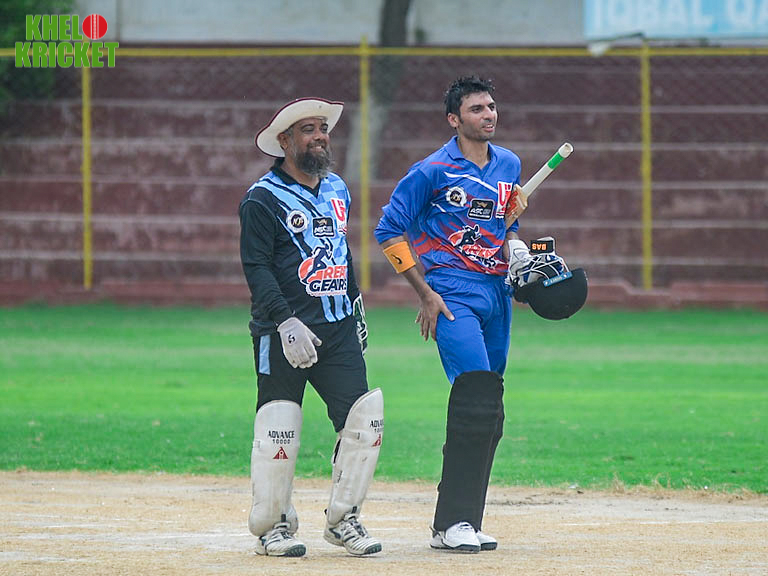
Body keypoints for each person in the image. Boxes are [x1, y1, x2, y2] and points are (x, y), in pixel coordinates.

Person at [374, 76, 534, 553]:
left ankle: (465, 520)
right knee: (475, 397)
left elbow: (505, 220)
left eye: (492, 107)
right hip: (451, 293)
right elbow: (388, 230)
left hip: (497, 292)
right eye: (477, 109)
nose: (489, 115)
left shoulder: (509, 163)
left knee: (491, 409)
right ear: (453, 119)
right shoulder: (431, 171)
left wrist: (516, 244)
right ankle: (452, 523)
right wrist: (424, 293)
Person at [239, 97, 383, 558]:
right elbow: (257, 267)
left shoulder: (337, 188)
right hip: (283, 330)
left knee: (364, 420)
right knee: (278, 425)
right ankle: (272, 526)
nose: (320, 136)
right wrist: (285, 321)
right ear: (284, 142)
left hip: (337, 328)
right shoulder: (262, 199)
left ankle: (344, 521)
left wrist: (356, 309)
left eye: (323, 128)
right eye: (308, 130)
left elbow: (341, 252)